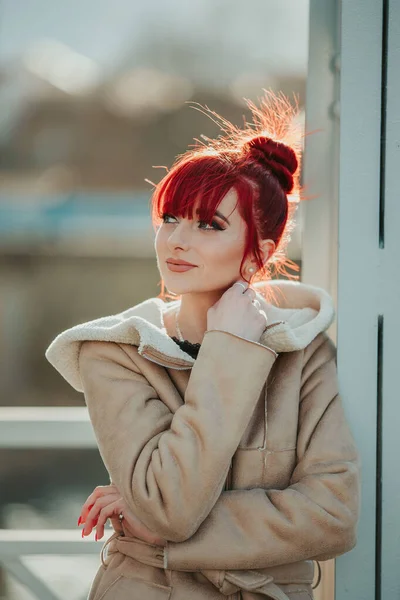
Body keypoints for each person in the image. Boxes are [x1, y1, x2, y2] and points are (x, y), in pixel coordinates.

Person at [45, 91, 361, 600]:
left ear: (258, 254)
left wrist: (164, 536)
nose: (176, 240)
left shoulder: (304, 352)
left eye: (209, 225)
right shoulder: (115, 351)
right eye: (170, 218)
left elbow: (332, 517)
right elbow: (170, 505)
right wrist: (229, 348)